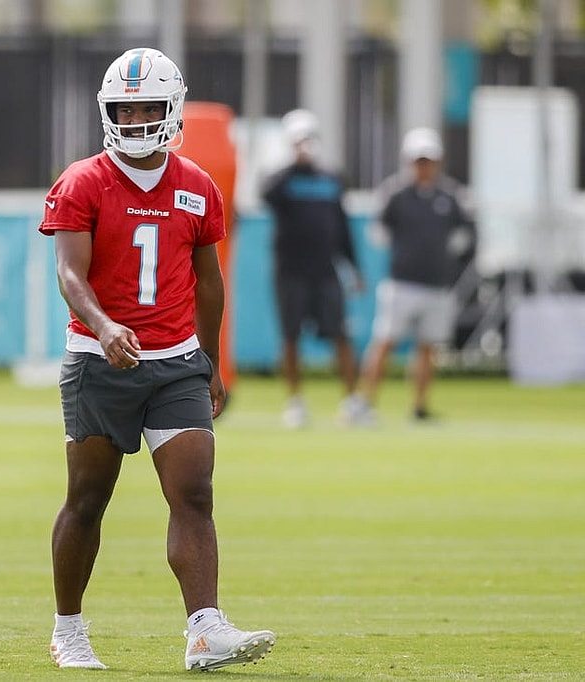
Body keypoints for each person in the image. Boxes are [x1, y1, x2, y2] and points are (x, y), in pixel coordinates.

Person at [39, 47, 275, 672]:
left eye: (148, 107)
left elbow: (210, 281)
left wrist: (209, 359)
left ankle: (204, 629)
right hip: (99, 360)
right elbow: (69, 271)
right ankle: (68, 629)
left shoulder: (197, 185)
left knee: (194, 494)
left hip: (175, 363)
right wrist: (105, 325)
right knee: (88, 499)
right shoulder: (83, 180)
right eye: (126, 108)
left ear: (171, 110)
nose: (137, 118)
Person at [358, 127, 475, 422]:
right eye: (418, 160)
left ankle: (420, 406)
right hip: (402, 282)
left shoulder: (450, 195)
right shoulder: (396, 194)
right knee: (385, 342)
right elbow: (379, 233)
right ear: (409, 161)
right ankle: (364, 402)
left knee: (428, 347)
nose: (424, 166)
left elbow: (465, 234)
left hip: (437, 284)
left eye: (428, 160)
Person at [261, 109, 365, 429]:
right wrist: (294, 163)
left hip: (325, 271)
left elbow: (342, 226)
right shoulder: (283, 178)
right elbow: (266, 194)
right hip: (291, 271)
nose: (305, 146)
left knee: (340, 335)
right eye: (298, 140)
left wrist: (354, 267)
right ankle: (295, 402)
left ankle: (352, 401)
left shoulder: (332, 178)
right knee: (290, 335)